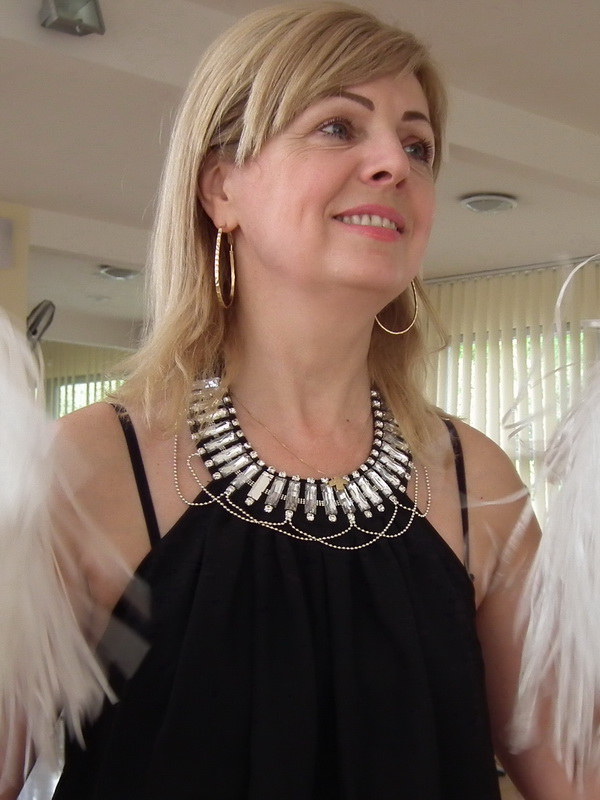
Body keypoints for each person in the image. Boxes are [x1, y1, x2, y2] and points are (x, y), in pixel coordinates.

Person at [2, 3, 599, 799]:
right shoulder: (92, 469)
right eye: (338, 127)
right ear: (221, 188)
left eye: (418, 145)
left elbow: (576, 772)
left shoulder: (474, 482)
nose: (394, 164)